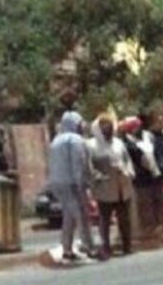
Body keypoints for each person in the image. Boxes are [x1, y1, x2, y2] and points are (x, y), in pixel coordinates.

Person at [48, 111, 96, 260]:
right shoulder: (76, 141)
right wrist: (83, 183)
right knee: (82, 215)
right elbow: (79, 163)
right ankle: (89, 247)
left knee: (69, 216)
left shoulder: (56, 141)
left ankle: (67, 248)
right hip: (72, 183)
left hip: (57, 183)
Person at [88, 116, 135, 258]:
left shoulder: (118, 143)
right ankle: (106, 247)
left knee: (124, 218)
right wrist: (99, 177)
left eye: (109, 127)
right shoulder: (91, 145)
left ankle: (127, 246)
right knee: (105, 219)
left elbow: (127, 160)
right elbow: (88, 166)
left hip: (122, 185)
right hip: (105, 187)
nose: (108, 130)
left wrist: (129, 172)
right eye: (104, 128)